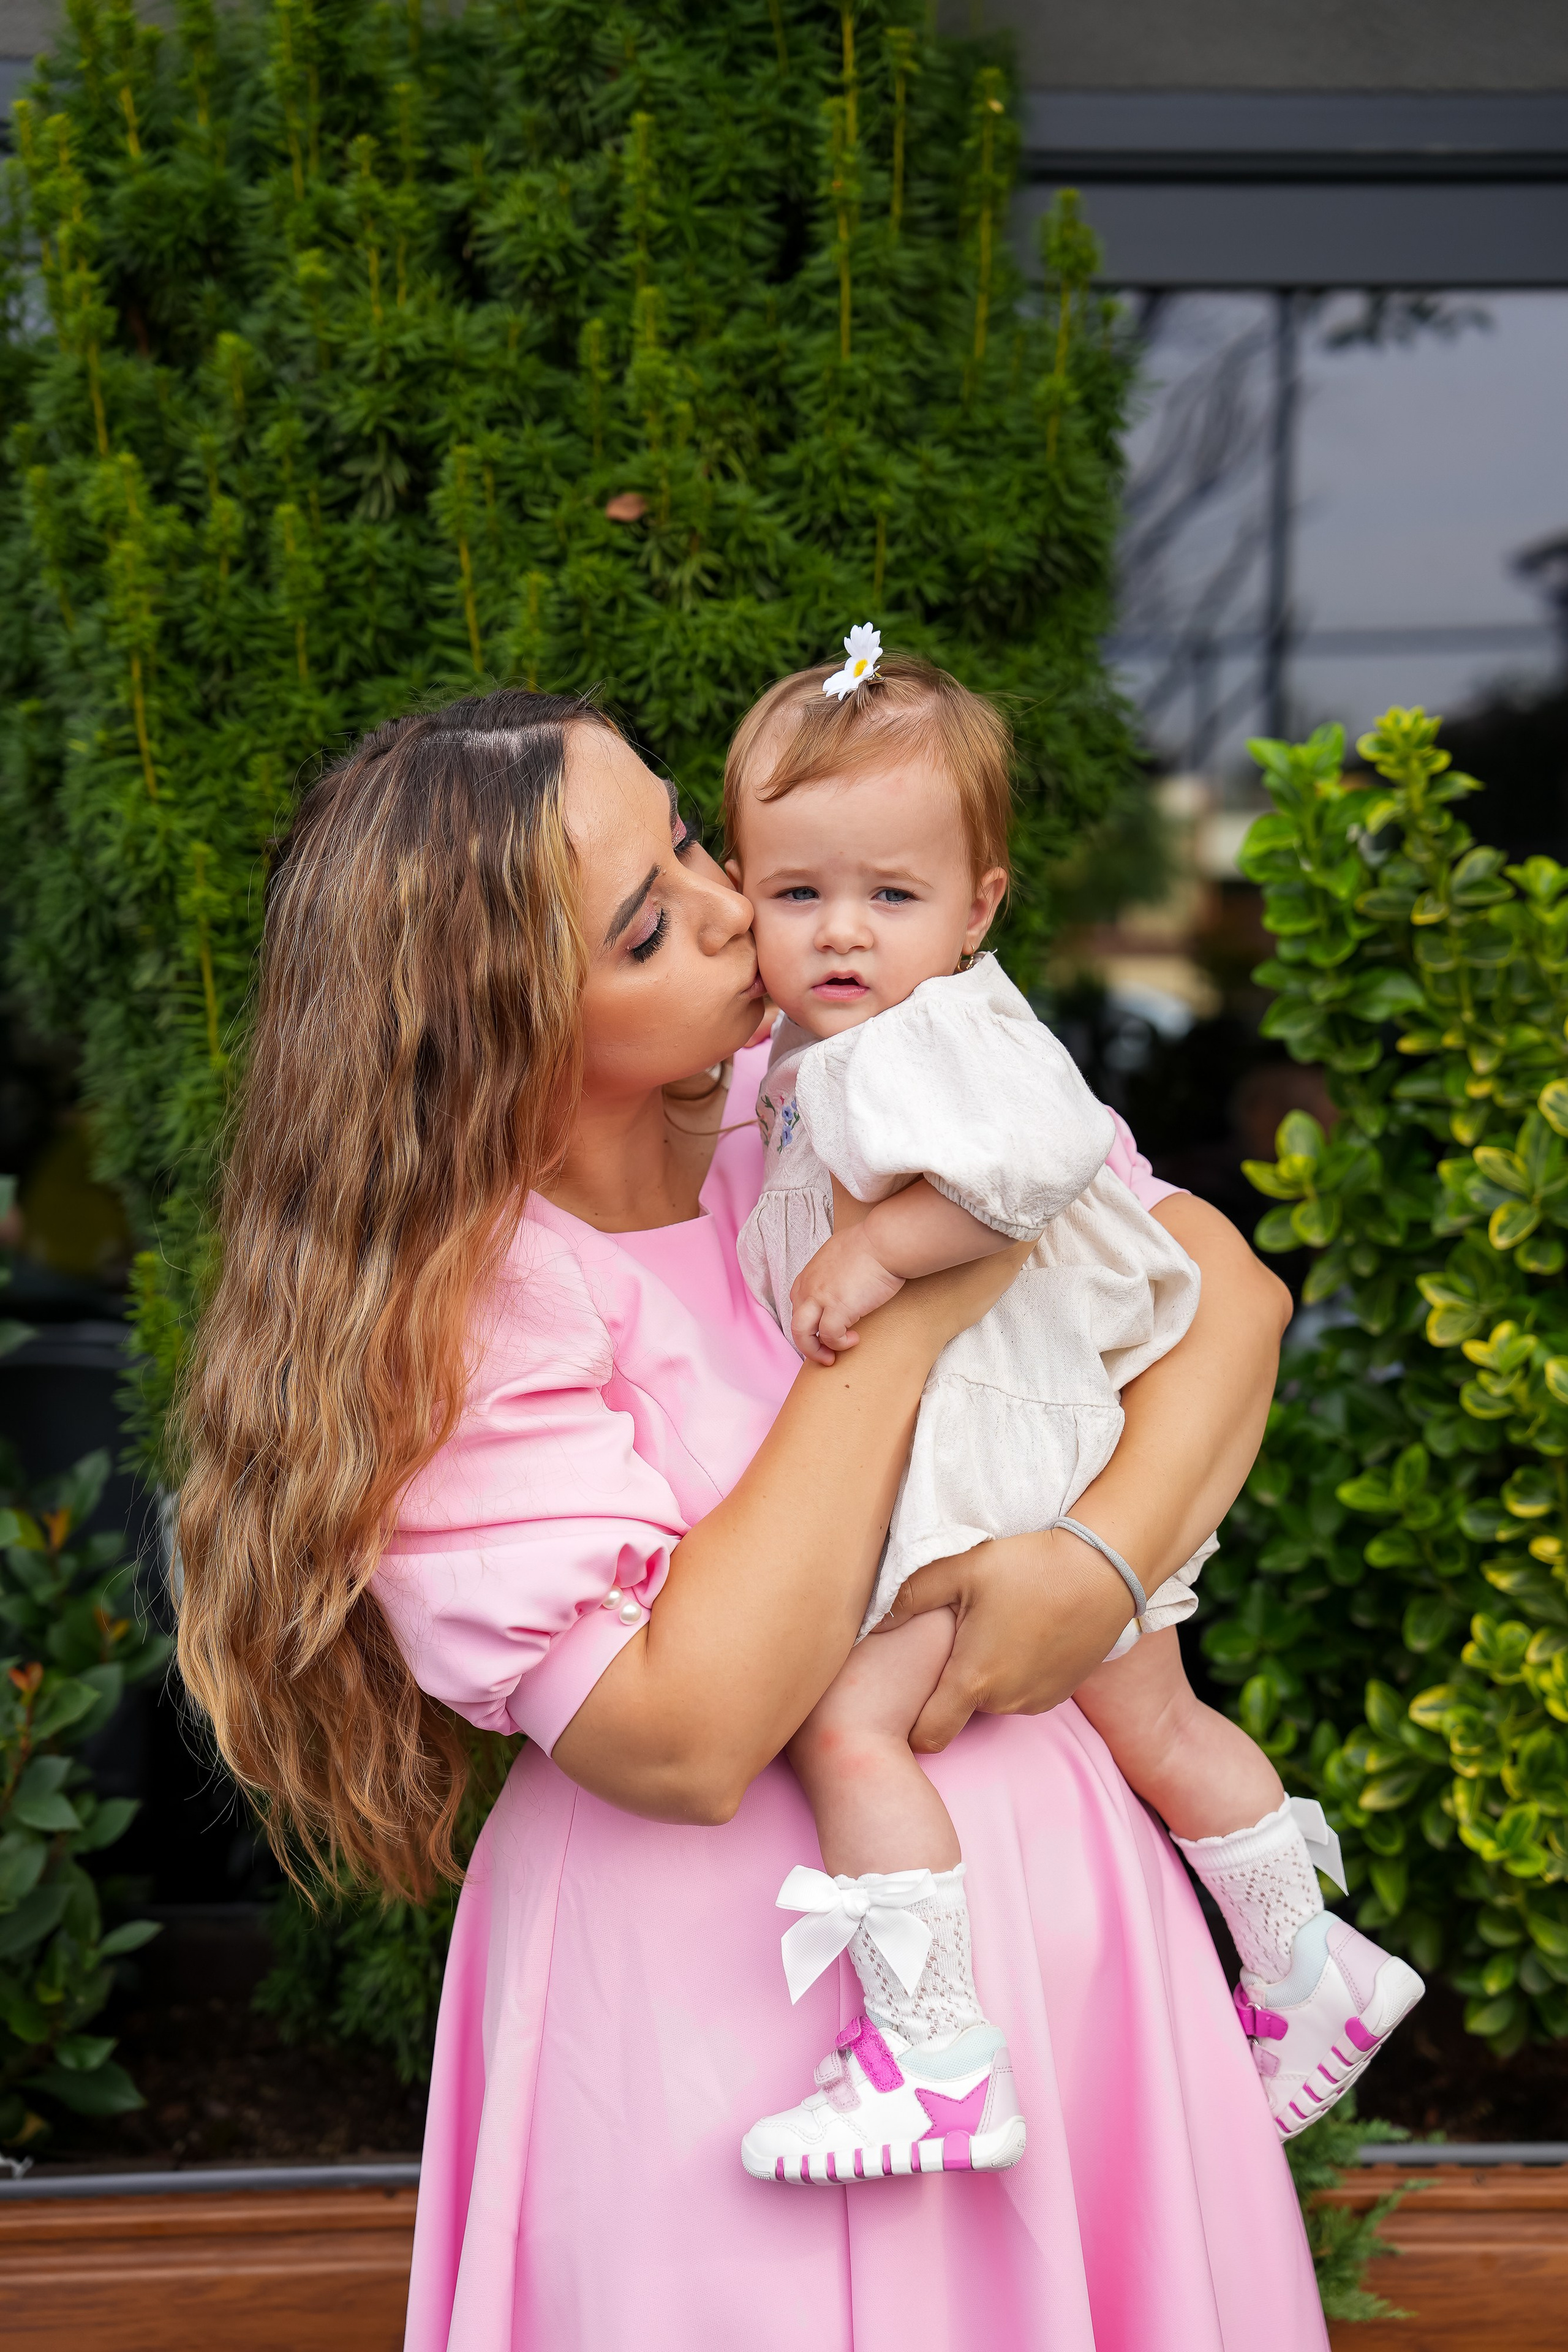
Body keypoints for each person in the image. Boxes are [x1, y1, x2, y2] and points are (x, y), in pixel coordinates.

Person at [176, 686, 1330, 2351]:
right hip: (713, 2013)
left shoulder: (828, 1085)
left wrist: (1092, 1570)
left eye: (690, 843)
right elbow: (683, 1735)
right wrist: (914, 1315)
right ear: (503, 1025)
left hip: (1055, 1934)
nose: (732, 908)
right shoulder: (471, 1317)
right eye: (648, 924)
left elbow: (1222, 1295)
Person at [724, 640, 1423, 2178]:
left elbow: (1038, 1163)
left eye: (890, 895)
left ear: (978, 905)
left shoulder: (923, 1040)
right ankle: (1307, 1962)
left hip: (992, 1465)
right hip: (1050, 1442)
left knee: (848, 1726)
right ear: (739, 887)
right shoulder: (827, 1049)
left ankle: (932, 2063)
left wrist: (881, 1251)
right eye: (796, 893)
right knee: (1155, 1717)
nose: (839, 932)